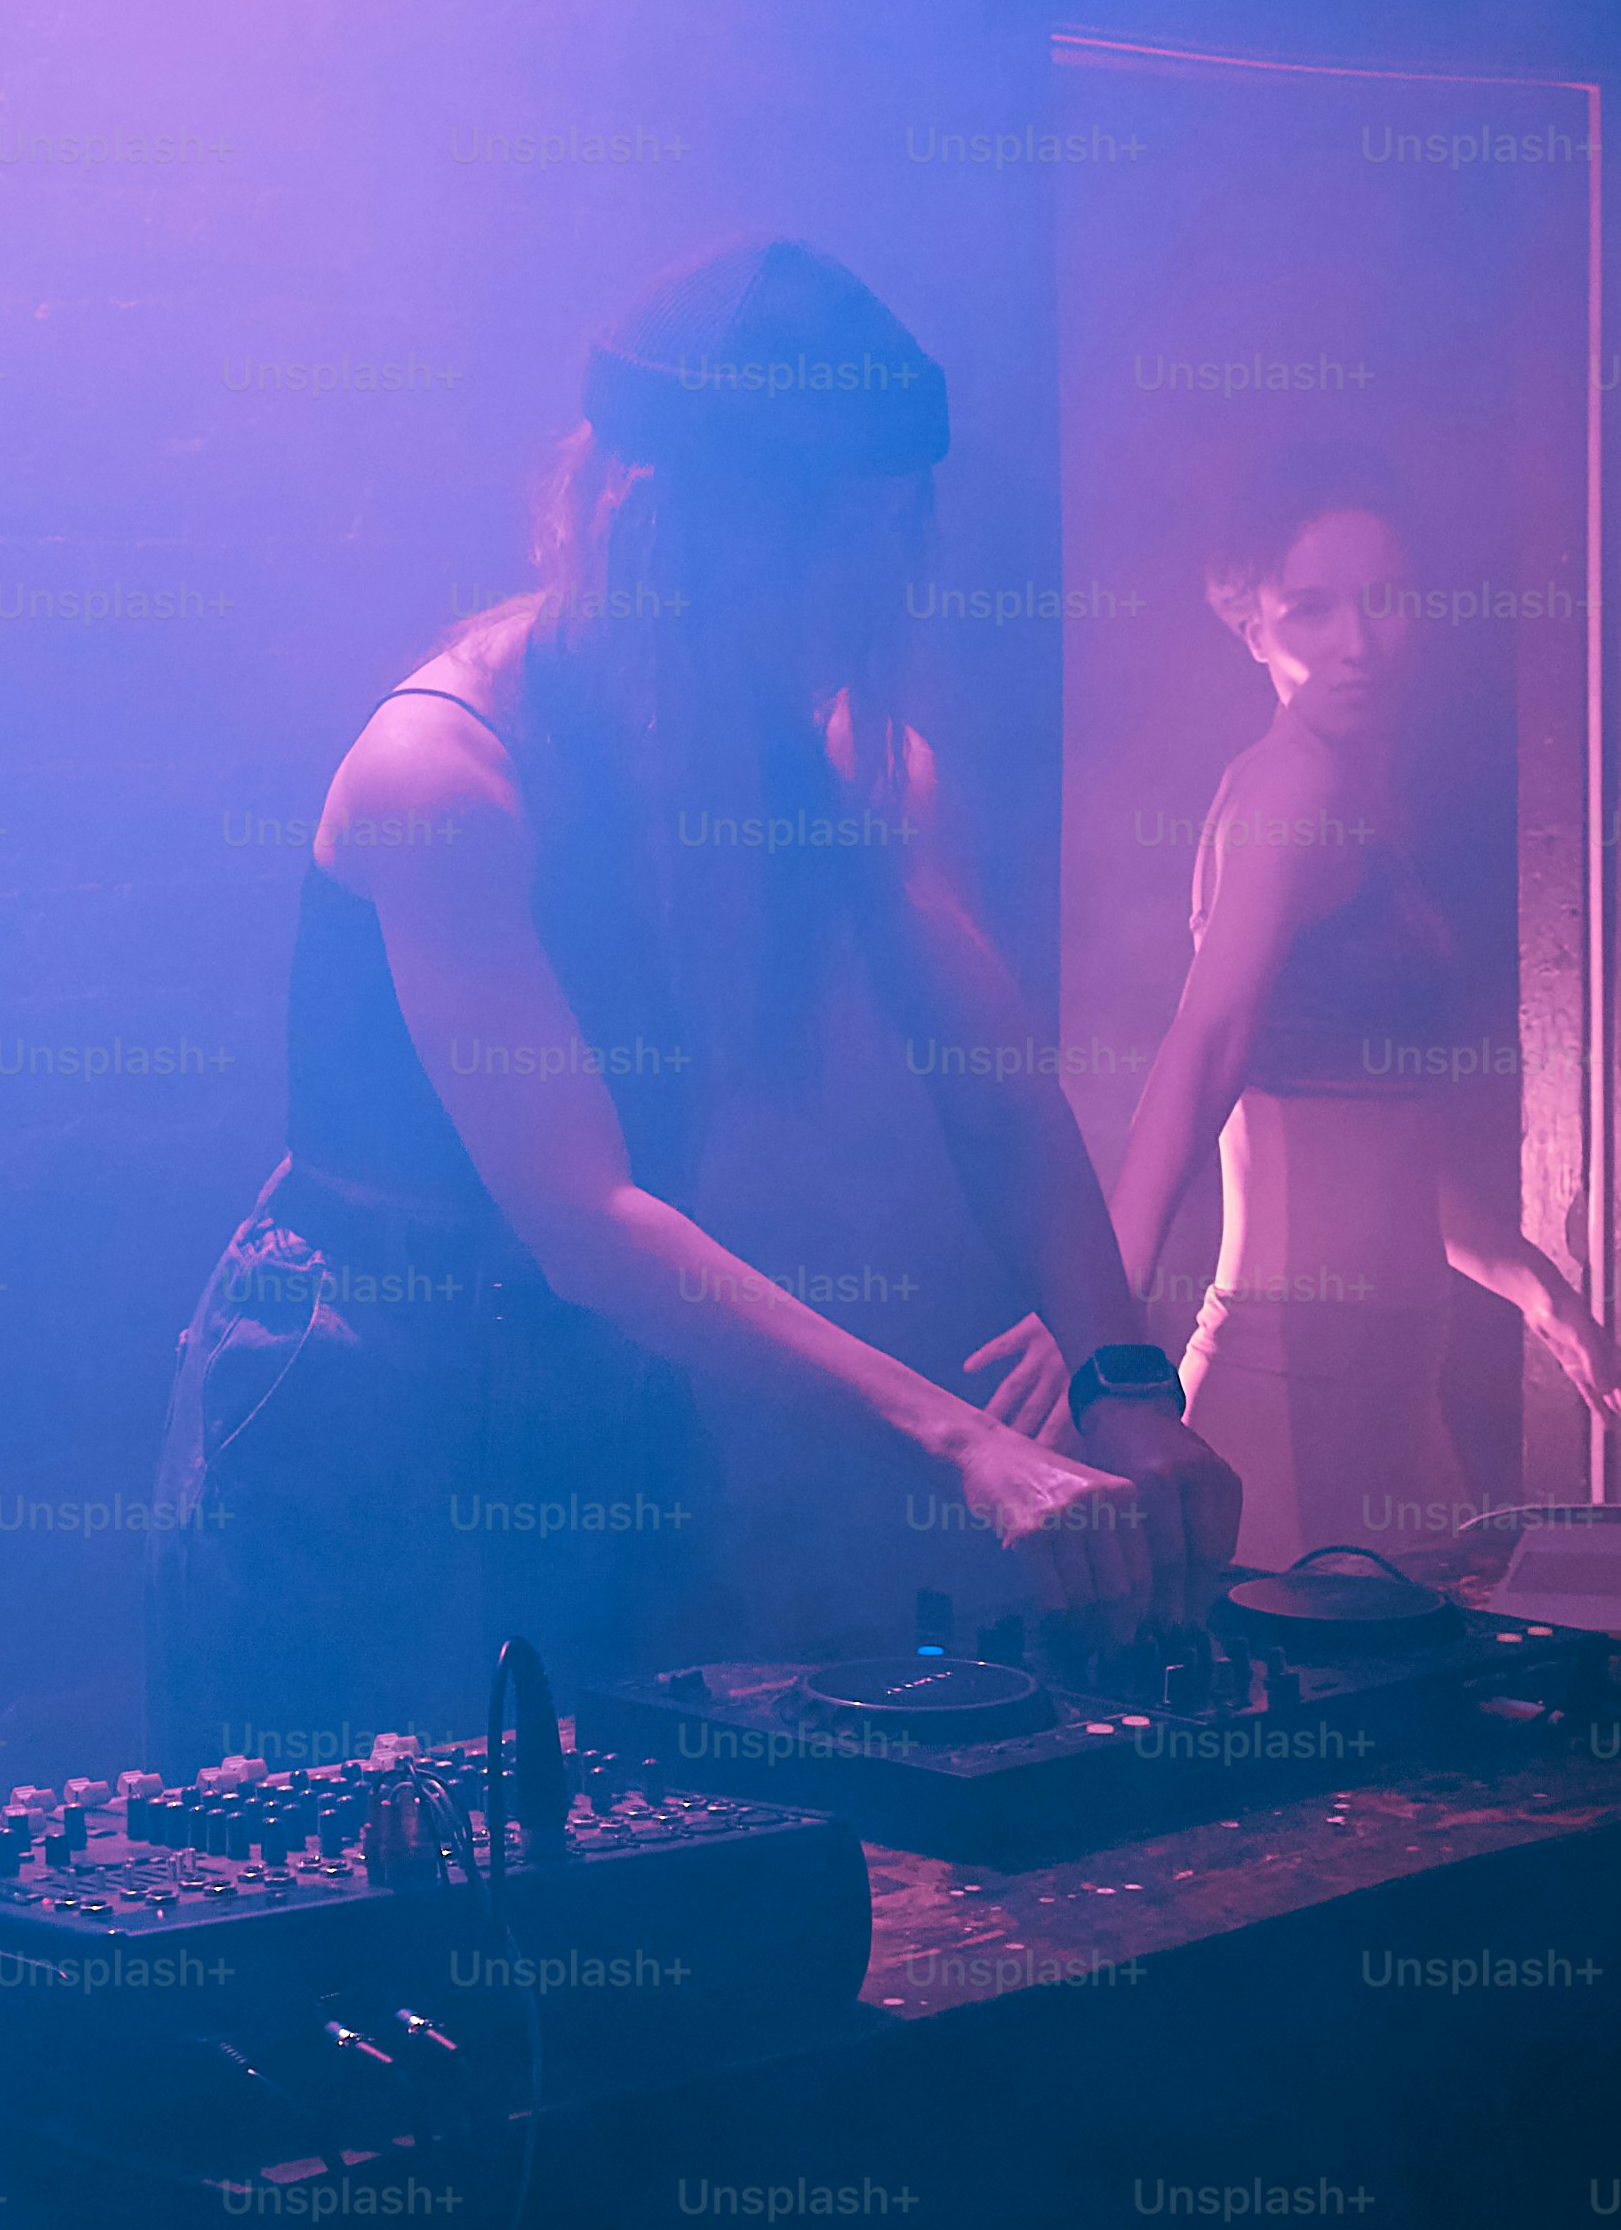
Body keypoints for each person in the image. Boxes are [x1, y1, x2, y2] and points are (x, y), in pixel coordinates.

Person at [149, 238, 1235, 1763]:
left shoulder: (856, 763)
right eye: (811, 571)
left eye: (883, 559)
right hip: (358, 1387)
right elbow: (583, 1215)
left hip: (602, 1374)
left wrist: (1123, 1380)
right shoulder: (441, 775)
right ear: (656, 533)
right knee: (346, 1871)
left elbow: (992, 1094)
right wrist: (966, 1442)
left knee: (633, 1847)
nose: (848, 624)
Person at [1005, 442, 1621, 1562]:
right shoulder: (1288, 784)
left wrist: (1540, 1291)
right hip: (1293, 1386)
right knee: (1313, 1715)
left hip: (1393, 1385)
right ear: (1245, 618)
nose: (1359, 642)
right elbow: (1203, 1050)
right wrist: (1098, 1319)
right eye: (1312, 609)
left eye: (1386, 602)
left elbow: (1375, 1140)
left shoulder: (1365, 799)